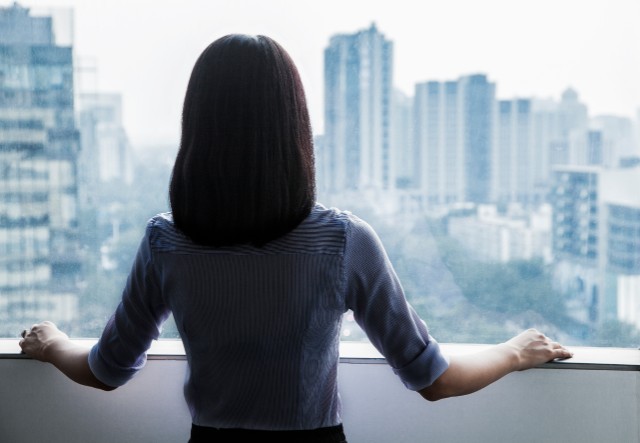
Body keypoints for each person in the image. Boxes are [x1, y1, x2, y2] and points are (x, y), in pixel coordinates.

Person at [19, 34, 573, 443]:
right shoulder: (342, 242)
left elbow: (106, 369)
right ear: (294, 129)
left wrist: (51, 345)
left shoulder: (167, 243)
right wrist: (513, 352)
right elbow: (433, 379)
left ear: (198, 128)